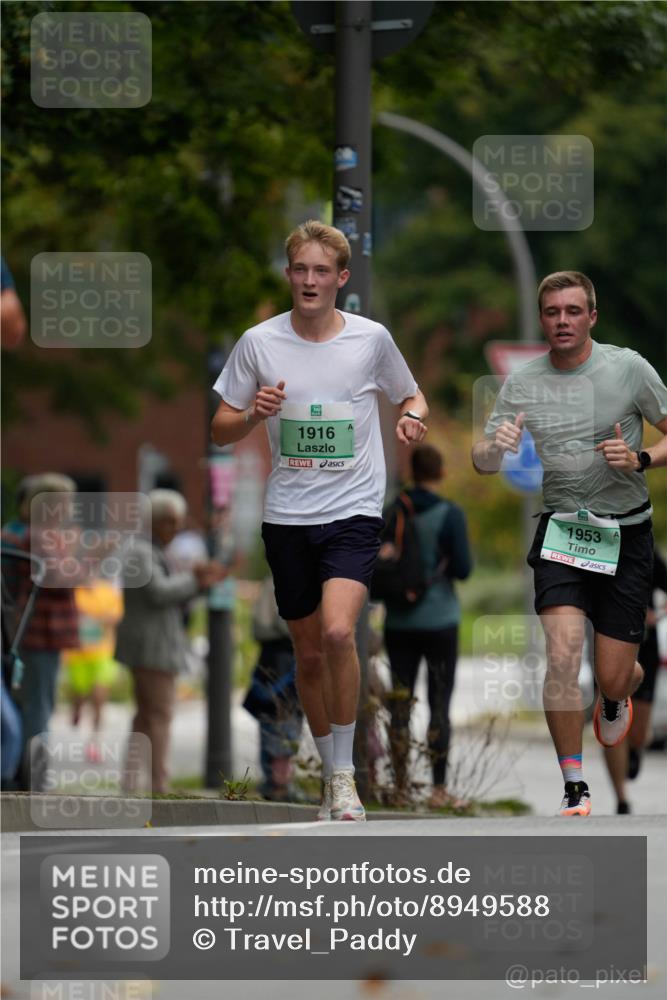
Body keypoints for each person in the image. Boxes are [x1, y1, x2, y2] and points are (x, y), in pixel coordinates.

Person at [211, 220, 428, 822]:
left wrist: (412, 418)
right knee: (306, 655)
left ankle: (344, 778)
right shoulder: (259, 343)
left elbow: (412, 394)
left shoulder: (370, 340)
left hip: (354, 510)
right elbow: (219, 429)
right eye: (300, 270)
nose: (309, 281)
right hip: (288, 517)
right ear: (289, 276)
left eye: (320, 271)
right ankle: (329, 765)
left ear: (341, 278)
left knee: (338, 633)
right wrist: (253, 413)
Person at [472, 270, 667, 817]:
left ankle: (617, 691)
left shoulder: (628, 369)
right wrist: (496, 447)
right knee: (561, 654)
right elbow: (482, 462)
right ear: (543, 319)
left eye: (573, 311)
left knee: (612, 673)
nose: (563, 320)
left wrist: (642, 458)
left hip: (626, 534)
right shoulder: (524, 382)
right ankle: (574, 786)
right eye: (553, 312)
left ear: (591, 317)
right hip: (562, 529)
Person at [116, 489, 225, 794]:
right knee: (159, 715)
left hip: (153, 645)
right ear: (155, 521)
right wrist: (196, 580)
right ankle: (158, 784)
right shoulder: (141, 552)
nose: (176, 529)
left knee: (145, 716)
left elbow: (171, 593)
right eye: (170, 522)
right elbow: (159, 593)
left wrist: (197, 582)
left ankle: (133, 782)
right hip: (151, 648)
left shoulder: (153, 550)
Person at [382, 444, 473, 808]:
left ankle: (401, 787)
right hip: (440, 621)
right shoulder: (450, 514)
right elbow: (464, 569)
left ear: (412, 472)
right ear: (441, 473)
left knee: (399, 704)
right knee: (439, 703)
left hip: (399, 621)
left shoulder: (394, 510)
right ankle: (438, 789)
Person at [1, 474, 80, 790]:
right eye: (65, 503)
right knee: (38, 706)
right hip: (40, 632)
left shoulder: (35, 535)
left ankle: (25, 776)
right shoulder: (40, 536)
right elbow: (60, 581)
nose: (69, 509)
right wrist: (92, 555)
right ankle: (34, 779)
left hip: (33, 632)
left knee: (32, 704)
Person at [602, 548, 667, 813]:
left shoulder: (645, 550)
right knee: (611, 720)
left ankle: (635, 750)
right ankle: (621, 798)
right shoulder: (596, 550)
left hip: (644, 645)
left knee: (638, 733)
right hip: (604, 642)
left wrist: (657, 614)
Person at [243, 576, 304, 802]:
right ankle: (280, 783)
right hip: (284, 664)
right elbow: (288, 621)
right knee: (283, 723)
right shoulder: (285, 581)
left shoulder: (270, 582)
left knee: (274, 723)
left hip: (272, 663)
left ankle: (275, 781)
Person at [63, 575, 124, 762]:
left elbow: (116, 617)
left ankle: (94, 743)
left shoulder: (107, 591)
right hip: (76, 654)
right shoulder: (72, 592)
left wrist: (96, 618)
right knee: (80, 695)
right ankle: (77, 708)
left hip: (102, 653)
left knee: (99, 696)